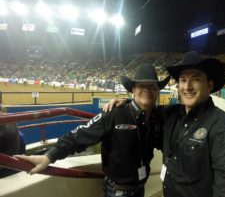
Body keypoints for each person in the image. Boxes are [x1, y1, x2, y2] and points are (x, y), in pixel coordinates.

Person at [105, 51, 225, 197]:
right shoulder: (168, 114)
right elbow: (144, 105)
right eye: (183, 80)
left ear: (210, 85)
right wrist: (128, 103)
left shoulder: (224, 127)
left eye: (196, 79)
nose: (187, 87)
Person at [15, 63, 170, 197]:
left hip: (140, 187)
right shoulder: (114, 113)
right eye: (142, 86)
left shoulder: (157, 117)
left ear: (157, 91)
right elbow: (80, 135)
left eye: (152, 86)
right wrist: (49, 156)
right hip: (118, 191)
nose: (147, 90)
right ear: (133, 90)